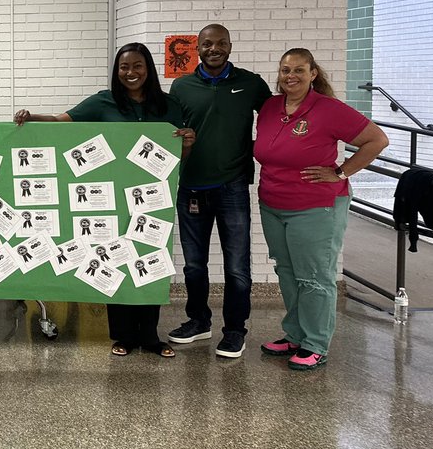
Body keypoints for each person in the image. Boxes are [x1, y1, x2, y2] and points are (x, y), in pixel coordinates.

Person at [15, 42, 195, 357]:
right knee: (116, 258)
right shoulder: (104, 101)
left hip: (154, 198)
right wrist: (32, 117)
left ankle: (151, 337)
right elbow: (62, 121)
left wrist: (189, 143)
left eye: (137, 66)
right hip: (111, 198)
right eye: (124, 67)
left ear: (148, 69)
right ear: (117, 70)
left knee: (149, 261)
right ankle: (123, 336)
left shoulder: (169, 105)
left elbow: (179, 154)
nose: (130, 73)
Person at [253, 48, 388, 371]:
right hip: (273, 203)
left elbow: (377, 140)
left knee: (314, 277)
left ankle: (315, 343)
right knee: (286, 271)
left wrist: (341, 171)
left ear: (313, 73)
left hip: (316, 206)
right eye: (286, 70)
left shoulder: (328, 109)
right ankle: (295, 334)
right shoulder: (271, 106)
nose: (291, 76)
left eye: (299, 70)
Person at [165, 24, 271, 358]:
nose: (214, 48)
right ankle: (198, 321)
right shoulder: (181, 86)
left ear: (229, 45)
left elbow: (276, 120)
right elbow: (167, 131)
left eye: (221, 43)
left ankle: (235, 330)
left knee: (237, 265)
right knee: (194, 266)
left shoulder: (250, 83)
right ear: (197, 47)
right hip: (191, 187)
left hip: (232, 188)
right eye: (207, 43)